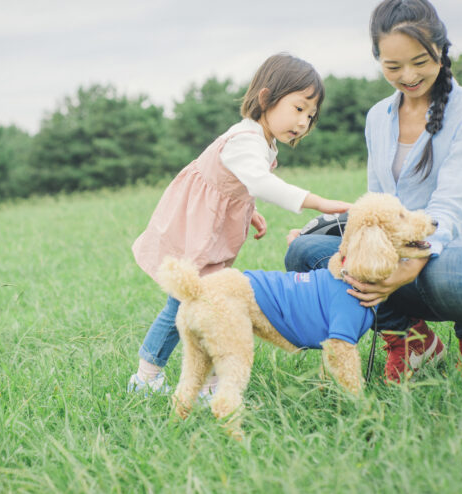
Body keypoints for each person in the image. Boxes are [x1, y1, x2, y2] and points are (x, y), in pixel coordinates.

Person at [285, 0, 462, 382]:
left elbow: (450, 204)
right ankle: (411, 339)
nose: (408, 75)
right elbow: (378, 203)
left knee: (449, 274)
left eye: (420, 61)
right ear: (378, 58)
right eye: (393, 66)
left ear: (442, 53)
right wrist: (342, 241)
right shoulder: (378, 117)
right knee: (305, 253)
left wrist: (408, 266)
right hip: (404, 258)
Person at [128, 53, 352, 394]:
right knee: (190, 299)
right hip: (195, 229)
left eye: (311, 114)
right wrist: (318, 202)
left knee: (203, 301)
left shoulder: (262, 139)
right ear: (266, 99)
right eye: (299, 108)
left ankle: (204, 382)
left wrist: (249, 211)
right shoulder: (245, 140)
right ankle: (148, 378)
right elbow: (260, 183)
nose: (304, 121)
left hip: (208, 227)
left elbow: (238, 185)